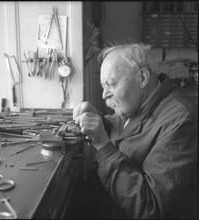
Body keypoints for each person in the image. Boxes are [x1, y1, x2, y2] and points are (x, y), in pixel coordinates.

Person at [73, 43, 198, 219]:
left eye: (111, 84)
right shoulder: (138, 103)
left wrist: (103, 145)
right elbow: (124, 127)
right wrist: (96, 120)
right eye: (103, 86)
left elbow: (148, 208)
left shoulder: (180, 122)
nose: (104, 95)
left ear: (142, 78)